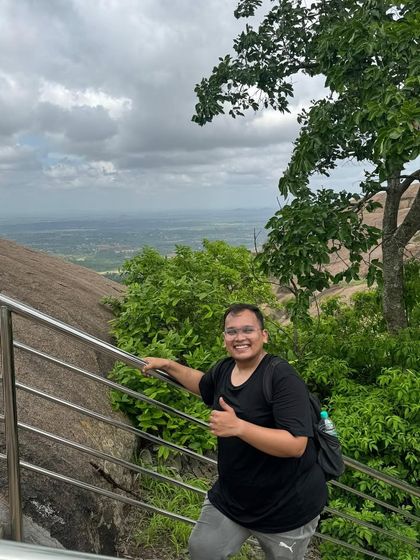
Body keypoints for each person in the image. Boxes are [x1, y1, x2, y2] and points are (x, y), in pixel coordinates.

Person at [142, 303, 328, 560]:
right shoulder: (225, 368)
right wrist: (169, 365)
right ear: (224, 339)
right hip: (233, 499)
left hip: (287, 509)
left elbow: (296, 444)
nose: (239, 337)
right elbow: (203, 384)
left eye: (247, 330)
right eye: (231, 332)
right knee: (202, 551)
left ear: (264, 335)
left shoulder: (281, 377)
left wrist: (238, 427)